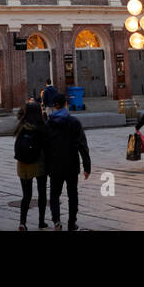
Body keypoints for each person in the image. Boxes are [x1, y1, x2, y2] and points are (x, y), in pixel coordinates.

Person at [44, 93, 91, 231]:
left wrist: (47, 166)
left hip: (55, 165)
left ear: (54, 106)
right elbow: (83, 145)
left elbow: (45, 147)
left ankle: (57, 221)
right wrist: (87, 166)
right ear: (66, 104)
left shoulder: (49, 124)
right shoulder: (74, 122)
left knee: (54, 194)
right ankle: (72, 223)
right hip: (71, 164)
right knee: (73, 194)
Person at [13, 100, 48, 230]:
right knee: (42, 193)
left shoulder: (21, 126)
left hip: (23, 166)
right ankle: (41, 221)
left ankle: (22, 222)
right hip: (39, 164)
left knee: (26, 196)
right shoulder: (41, 126)